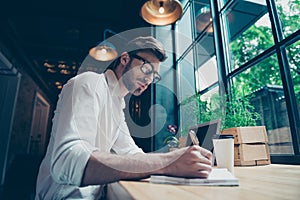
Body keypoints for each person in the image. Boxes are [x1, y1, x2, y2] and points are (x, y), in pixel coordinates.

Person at [35, 36, 212, 199]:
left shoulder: (117, 104)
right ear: (125, 59)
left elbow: (131, 153)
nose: (149, 79)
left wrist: (176, 159)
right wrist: (168, 162)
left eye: (154, 75)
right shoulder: (89, 83)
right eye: (146, 68)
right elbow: (67, 161)